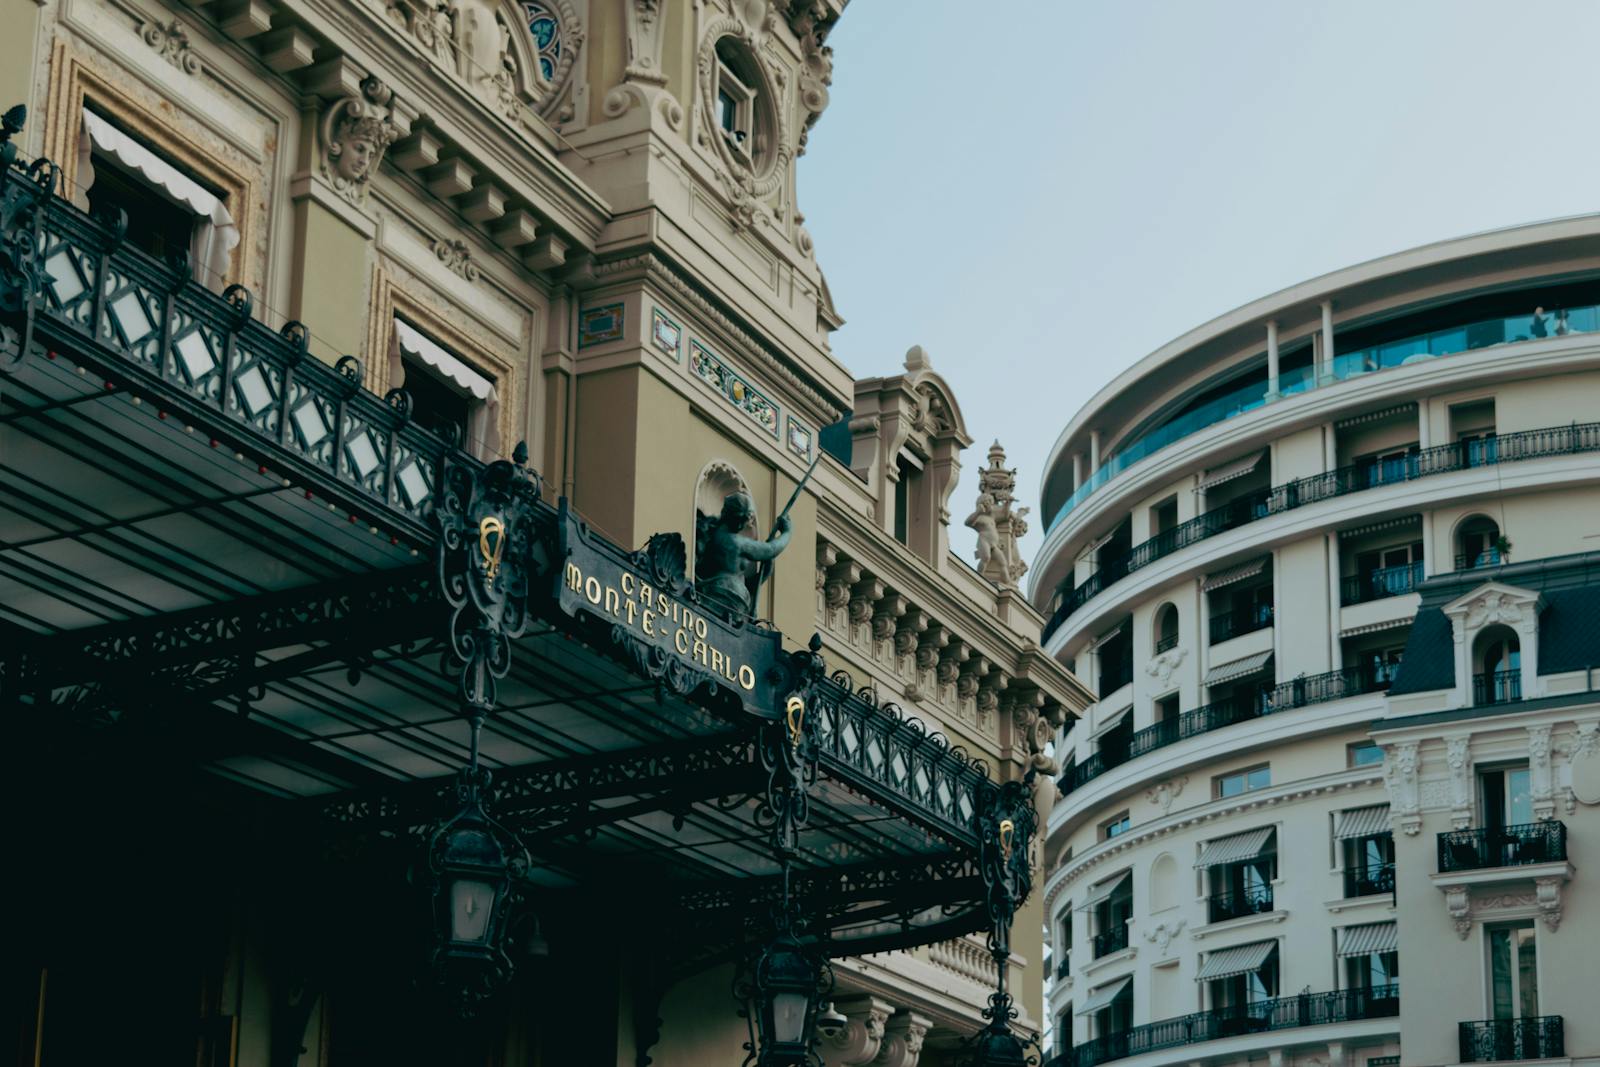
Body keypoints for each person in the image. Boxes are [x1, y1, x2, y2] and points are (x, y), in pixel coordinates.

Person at [694, 492, 791, 616]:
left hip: (727, 598)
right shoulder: (734, 542)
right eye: (740, 520)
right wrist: (787, 532)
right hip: (726, 597)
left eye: (745, 520)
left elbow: (745, 582)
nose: (741, 525)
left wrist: (765, 571)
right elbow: (771, 549)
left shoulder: (715, 535)